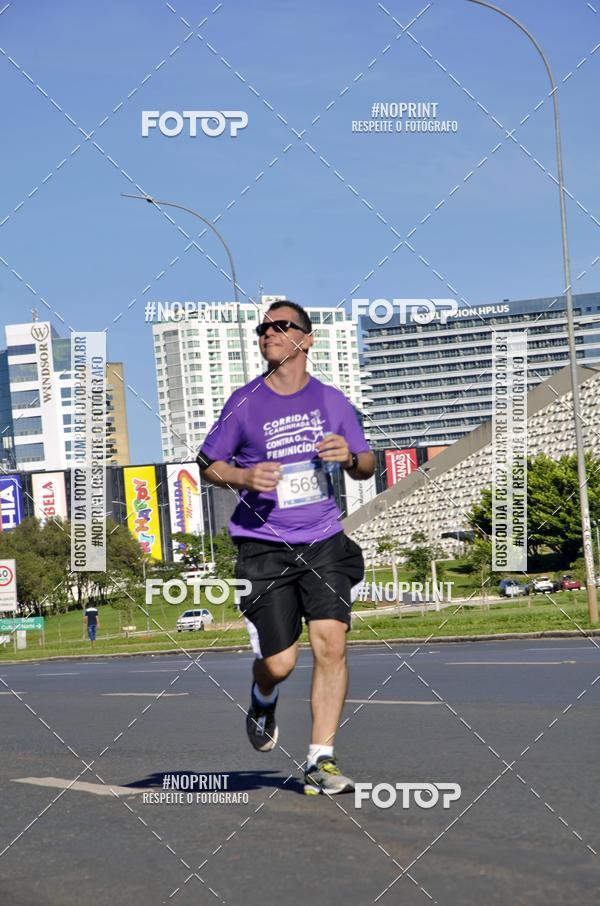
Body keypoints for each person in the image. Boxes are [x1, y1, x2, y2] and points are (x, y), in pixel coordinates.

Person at [198, 300, 375, 795]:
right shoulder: (244, 402)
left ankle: (322, 759)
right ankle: (262, 694)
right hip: (264, 548)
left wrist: (351, 457)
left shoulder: (331, 401)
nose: (268, 334)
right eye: (263, 328)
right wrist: (242, 474)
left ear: (306, 338)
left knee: (331, 643)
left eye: (281, 326)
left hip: (323, 540)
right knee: (280, 662)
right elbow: (207, 463)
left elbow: (366, 463)